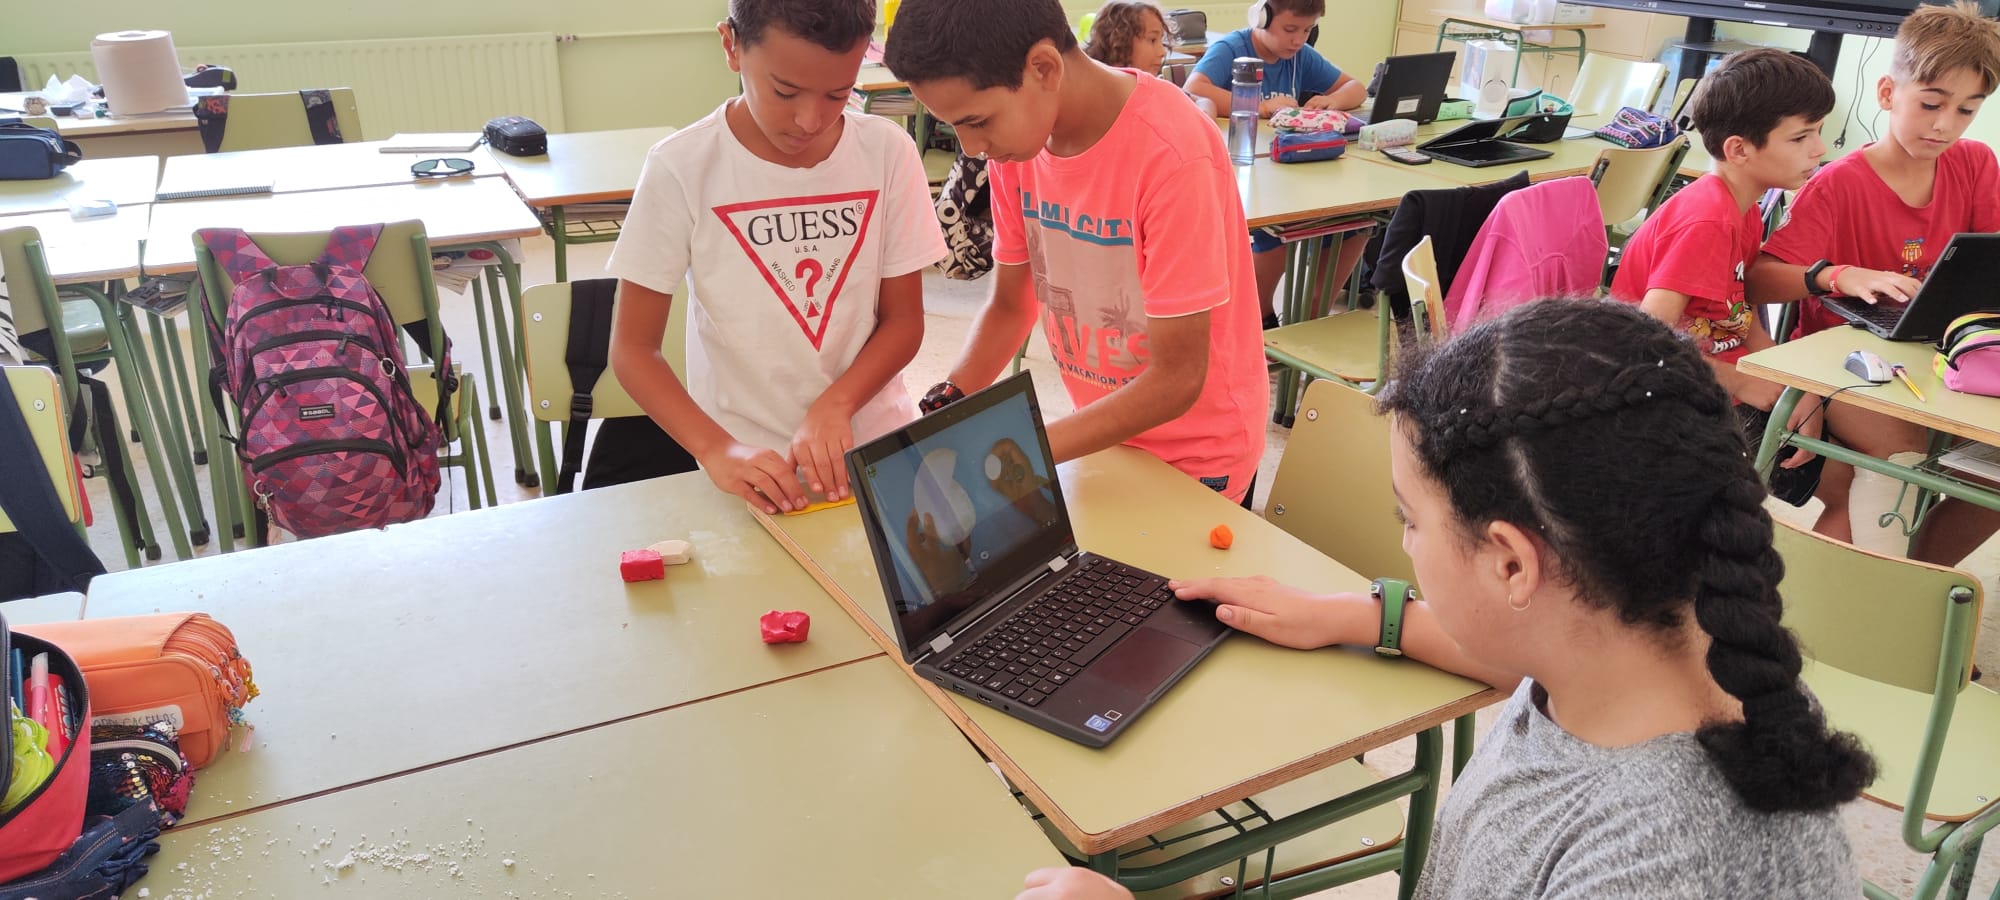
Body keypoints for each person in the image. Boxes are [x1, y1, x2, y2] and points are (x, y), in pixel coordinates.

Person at [1013, 301, 1871, 900]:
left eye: (1409, 519)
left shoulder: (1658, 867)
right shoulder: (1676, 661)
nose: (1403, 545)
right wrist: (1353, 616)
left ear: (1512, 564)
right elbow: (1522, 660)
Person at [884, 0, 1270, 507]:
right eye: (954, 126)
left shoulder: (1172, 153)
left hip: (1197, 456)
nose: (972, 146)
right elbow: (1011, 306)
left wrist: (1029, 448)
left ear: (1044, 68)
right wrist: (950, 401)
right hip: (1103, 432)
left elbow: (1178, 379)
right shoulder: (1016, 147)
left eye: (977, 121)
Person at [606, 0, 946, 516]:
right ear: (731, 46)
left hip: (876, 453)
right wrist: (716, 449)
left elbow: (904, 321)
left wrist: (838, 402)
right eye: (785, 92)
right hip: (750, 468)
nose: (810, 120)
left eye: (838, 94)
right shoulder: (682, 167)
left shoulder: (887, 151)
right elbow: (633, 350)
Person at [1747, 0, 2000, 562]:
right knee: (1900, 465)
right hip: (1845, 362)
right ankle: (1882, 599)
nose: (1945, 124)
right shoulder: (1836, 184)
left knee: (1991, 470)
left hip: (1938, 355)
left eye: (1967, 110)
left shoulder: (1976, 163)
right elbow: (1758, 280)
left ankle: (1908, 595)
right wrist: (1840, 275)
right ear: (1887, 93)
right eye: (1931, 104)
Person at [1611, 49, 1835, 511]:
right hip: (1670, 399)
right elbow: (1643, 340)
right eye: (1801, 137)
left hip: (1713, 383)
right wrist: (1741, 383)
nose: (1820, 149)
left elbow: (1737, 313)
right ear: (1739, 149)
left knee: (1829, 454)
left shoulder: (1742, 207)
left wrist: (1784, 379)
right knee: (1822, 472)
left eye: (1818, 131)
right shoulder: (1709, 220)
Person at [1183, 0, 1369, 328]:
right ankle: (1260, 315)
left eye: (1307, 30)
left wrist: (1333, 100)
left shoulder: (1300, 56)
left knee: (1356, 224)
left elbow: (1356, 88)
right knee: (1280, 230)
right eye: (1290, 29)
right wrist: (1259, 106)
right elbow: (1194, 89)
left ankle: (1309, 320)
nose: (1298, 39)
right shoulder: (1232, 49)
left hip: (1290, 172)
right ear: (1262, 17)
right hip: (1245, 171)